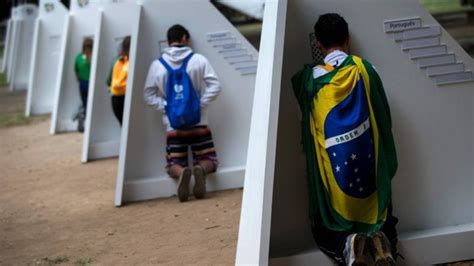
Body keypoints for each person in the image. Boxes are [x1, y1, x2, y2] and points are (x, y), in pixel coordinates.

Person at [291, 14, 399, 265]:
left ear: (318, 44)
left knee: (325, 226)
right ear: (348, 39)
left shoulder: (309, 80)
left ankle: (348, 245)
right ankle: (384, 241)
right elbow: (384, 117)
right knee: (383, 210)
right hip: (369, 161)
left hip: (333, 166)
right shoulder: (366, 69)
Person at [143, 24, 221, 202]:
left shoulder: (157, 65)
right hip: (199, 121)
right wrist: (199, 104)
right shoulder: (199, 60)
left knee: (173, 164)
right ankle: (200, 170)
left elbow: (148, 94)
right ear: (185, 38)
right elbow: (216, 85)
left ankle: (182, 172)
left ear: (168, 41)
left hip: (173, 124)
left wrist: (166, 107)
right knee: (209, 159)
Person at [107, 36, 131, 126]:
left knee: (124, 127)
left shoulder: (116, 60)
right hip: (128, 97)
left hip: (116, 99)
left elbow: (108, 81)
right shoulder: (134, 60)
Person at [74, 38, 93, 132]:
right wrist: (78, 77)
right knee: (85, 104)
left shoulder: (93, 57)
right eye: (86, 47)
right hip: (83, 83)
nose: (87, 49)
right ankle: (82, 124)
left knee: (90, 105)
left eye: (89, 47)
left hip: (92, 83)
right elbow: (76, 68)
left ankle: (87, 123)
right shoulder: (79, 57)